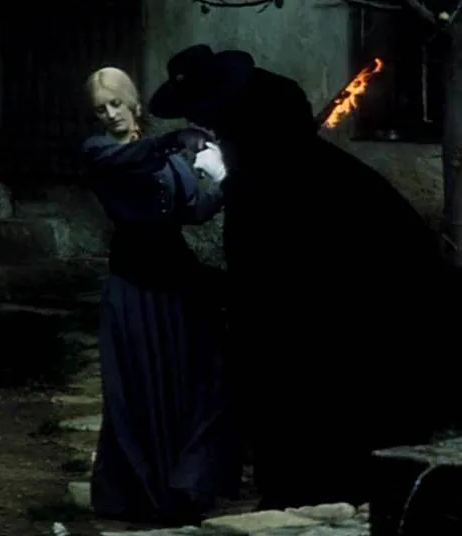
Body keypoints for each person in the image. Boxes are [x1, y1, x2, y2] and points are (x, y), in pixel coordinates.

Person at [149, 45, 446, 509]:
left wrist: (205, 286)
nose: (213, 139)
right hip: (346, 364)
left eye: (217, 130)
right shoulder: (293, 173)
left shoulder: (278, 189)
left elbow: (275, 303)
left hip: (358, 367)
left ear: (239, 128)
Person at [80, 66, 239, 524]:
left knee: (195, 381)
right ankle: (140, 494)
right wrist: (175, 140)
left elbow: (193, 211)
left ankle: (186, 483)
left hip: (178, 283)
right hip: (134, 285)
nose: (110, 115)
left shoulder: (165, 157)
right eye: (100, 109)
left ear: (132, 102)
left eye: (116, 104)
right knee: (139, 389)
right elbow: (132, 160)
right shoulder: (100, 152)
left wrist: (226, 183)